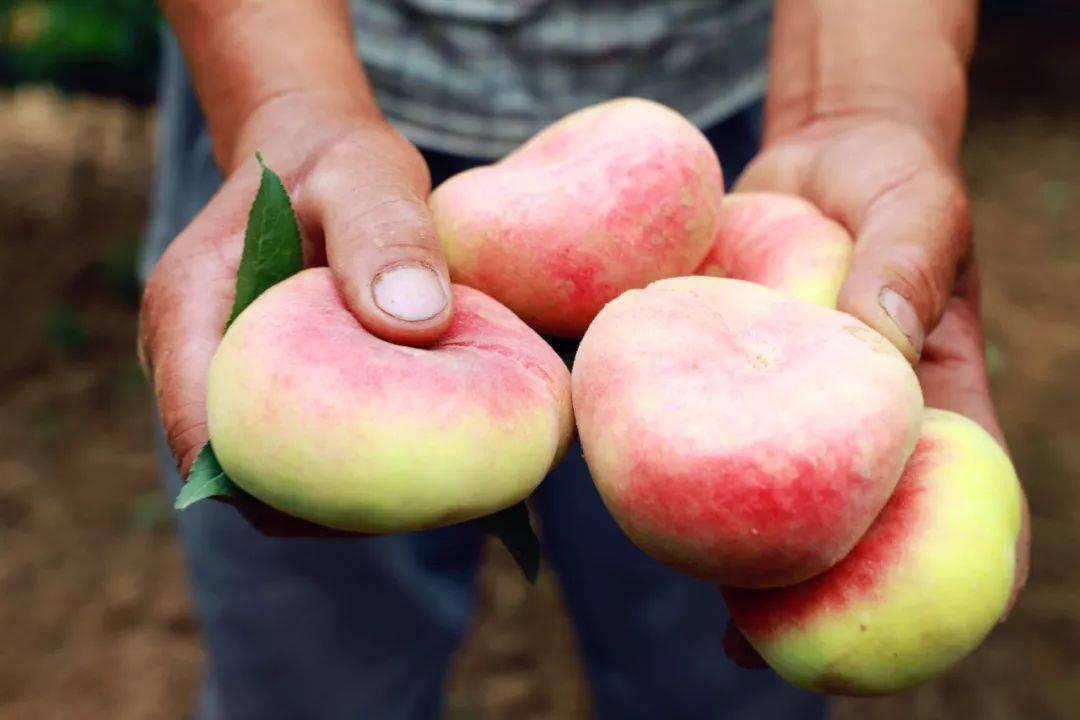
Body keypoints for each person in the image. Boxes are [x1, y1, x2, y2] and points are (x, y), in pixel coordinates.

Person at [138, 2, 1028, 718]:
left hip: (740, 168)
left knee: (718, 673)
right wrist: (285, 101)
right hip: (315, 159)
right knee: (318, 668)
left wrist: (857, 99)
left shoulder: (739, 313)